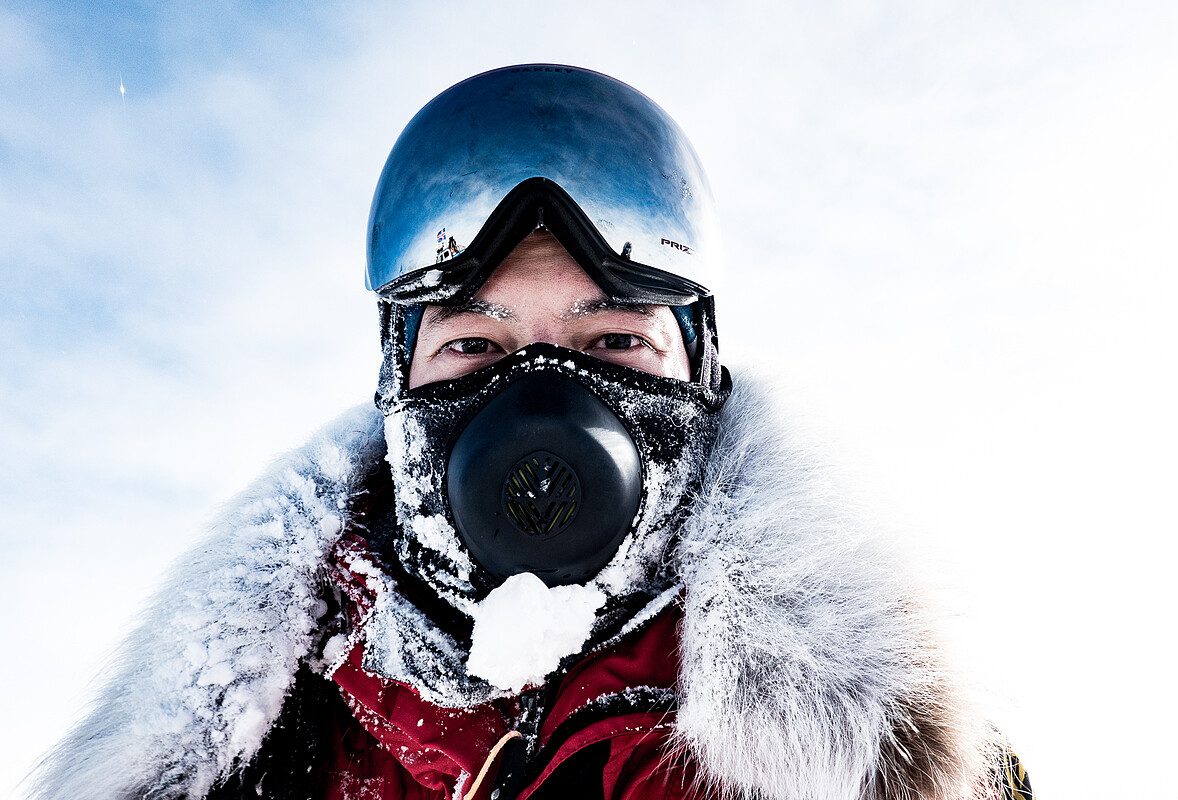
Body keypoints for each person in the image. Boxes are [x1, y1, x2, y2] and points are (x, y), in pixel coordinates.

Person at [29, 65, 1033, 800]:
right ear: (397, 384)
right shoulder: (267, 745)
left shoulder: (888, 759)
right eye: (473, 345)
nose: (545, 401)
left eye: (613, 340)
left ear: (703, 373)